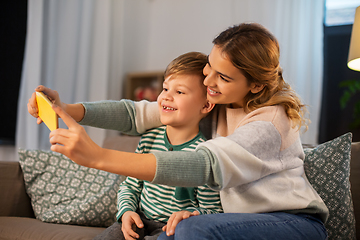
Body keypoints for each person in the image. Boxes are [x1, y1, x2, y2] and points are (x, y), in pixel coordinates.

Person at [28, 22, 329, 240]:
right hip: (236, 220)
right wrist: (66, 108)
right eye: (209, 67)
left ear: (256, 85)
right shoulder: (219, 101)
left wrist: (98, 157)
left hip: (289, 222)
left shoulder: (270, 123)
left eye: (222, 76)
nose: (208, 80)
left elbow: (203, 166)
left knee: (191, 230)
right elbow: (134, 113)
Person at [91, 52, 222, 240]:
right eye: (165, 88)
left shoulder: (203, 156)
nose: (166, 97)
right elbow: (131, 186)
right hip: (140, 220)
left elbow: (213, 210)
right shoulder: (150, 138)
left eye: (179, 92)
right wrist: (127, 212)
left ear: (206, 105)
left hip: (172, 229)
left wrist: (191, 214)